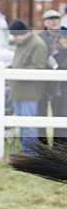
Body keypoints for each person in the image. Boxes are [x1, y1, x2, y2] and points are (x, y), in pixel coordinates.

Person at [9, 18, 48, 155]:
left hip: (29, 92)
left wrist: (16, 71)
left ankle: (30, 152)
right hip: (18, 91)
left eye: (16, 35)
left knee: (29, 124)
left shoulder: (37, 44)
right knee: (22, 123)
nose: (15, 38)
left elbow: (38, 67)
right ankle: (25, 149)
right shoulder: (23, 43)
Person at [37, 9, 62, 144]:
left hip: (59, 84)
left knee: (60, 113)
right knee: (41, 112)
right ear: (45, 22)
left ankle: (59, 146)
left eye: (56, 18)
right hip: (43, 82)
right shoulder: (40, 37)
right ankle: (42, 144)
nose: (54, 22)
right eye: (50, 19)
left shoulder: (63, 36)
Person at [50, 27, 67, 148]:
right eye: (63, 38)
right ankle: (57, 147)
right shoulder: (56, 53)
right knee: (57, 116)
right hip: (58, 92)